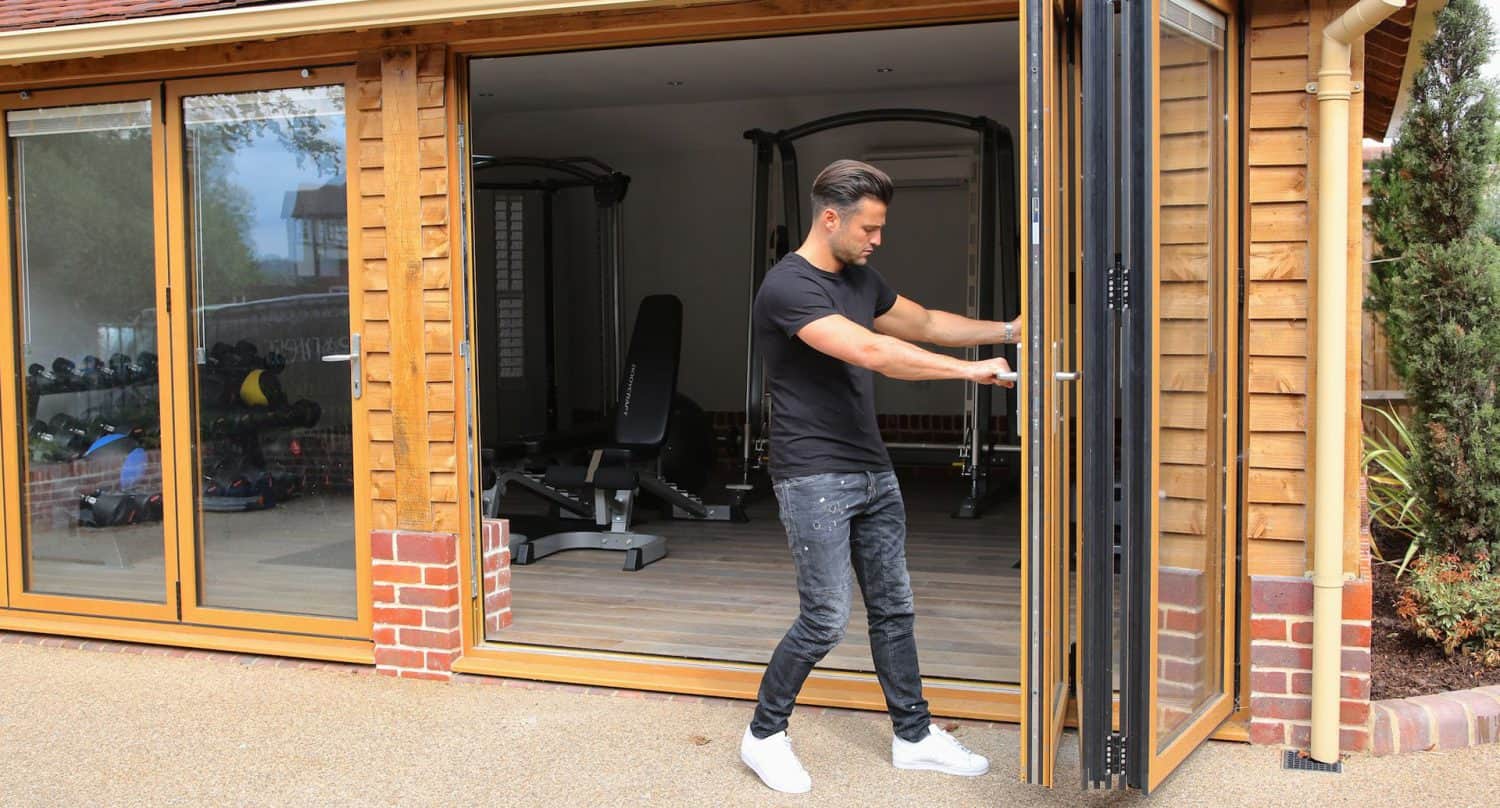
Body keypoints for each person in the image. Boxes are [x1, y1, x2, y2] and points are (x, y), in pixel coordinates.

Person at [739, 159, 1020, 793]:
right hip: (812, 473)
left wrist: (1007, 330)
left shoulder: (861, 280)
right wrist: (968, 373)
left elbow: (920, 323)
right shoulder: (788, 287)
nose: (877, 239)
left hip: (871, 468)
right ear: (831, 218)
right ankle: (764, 735)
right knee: (826, 617)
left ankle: (914, 736)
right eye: (869, 227)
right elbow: (871, 351)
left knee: (894, 608)